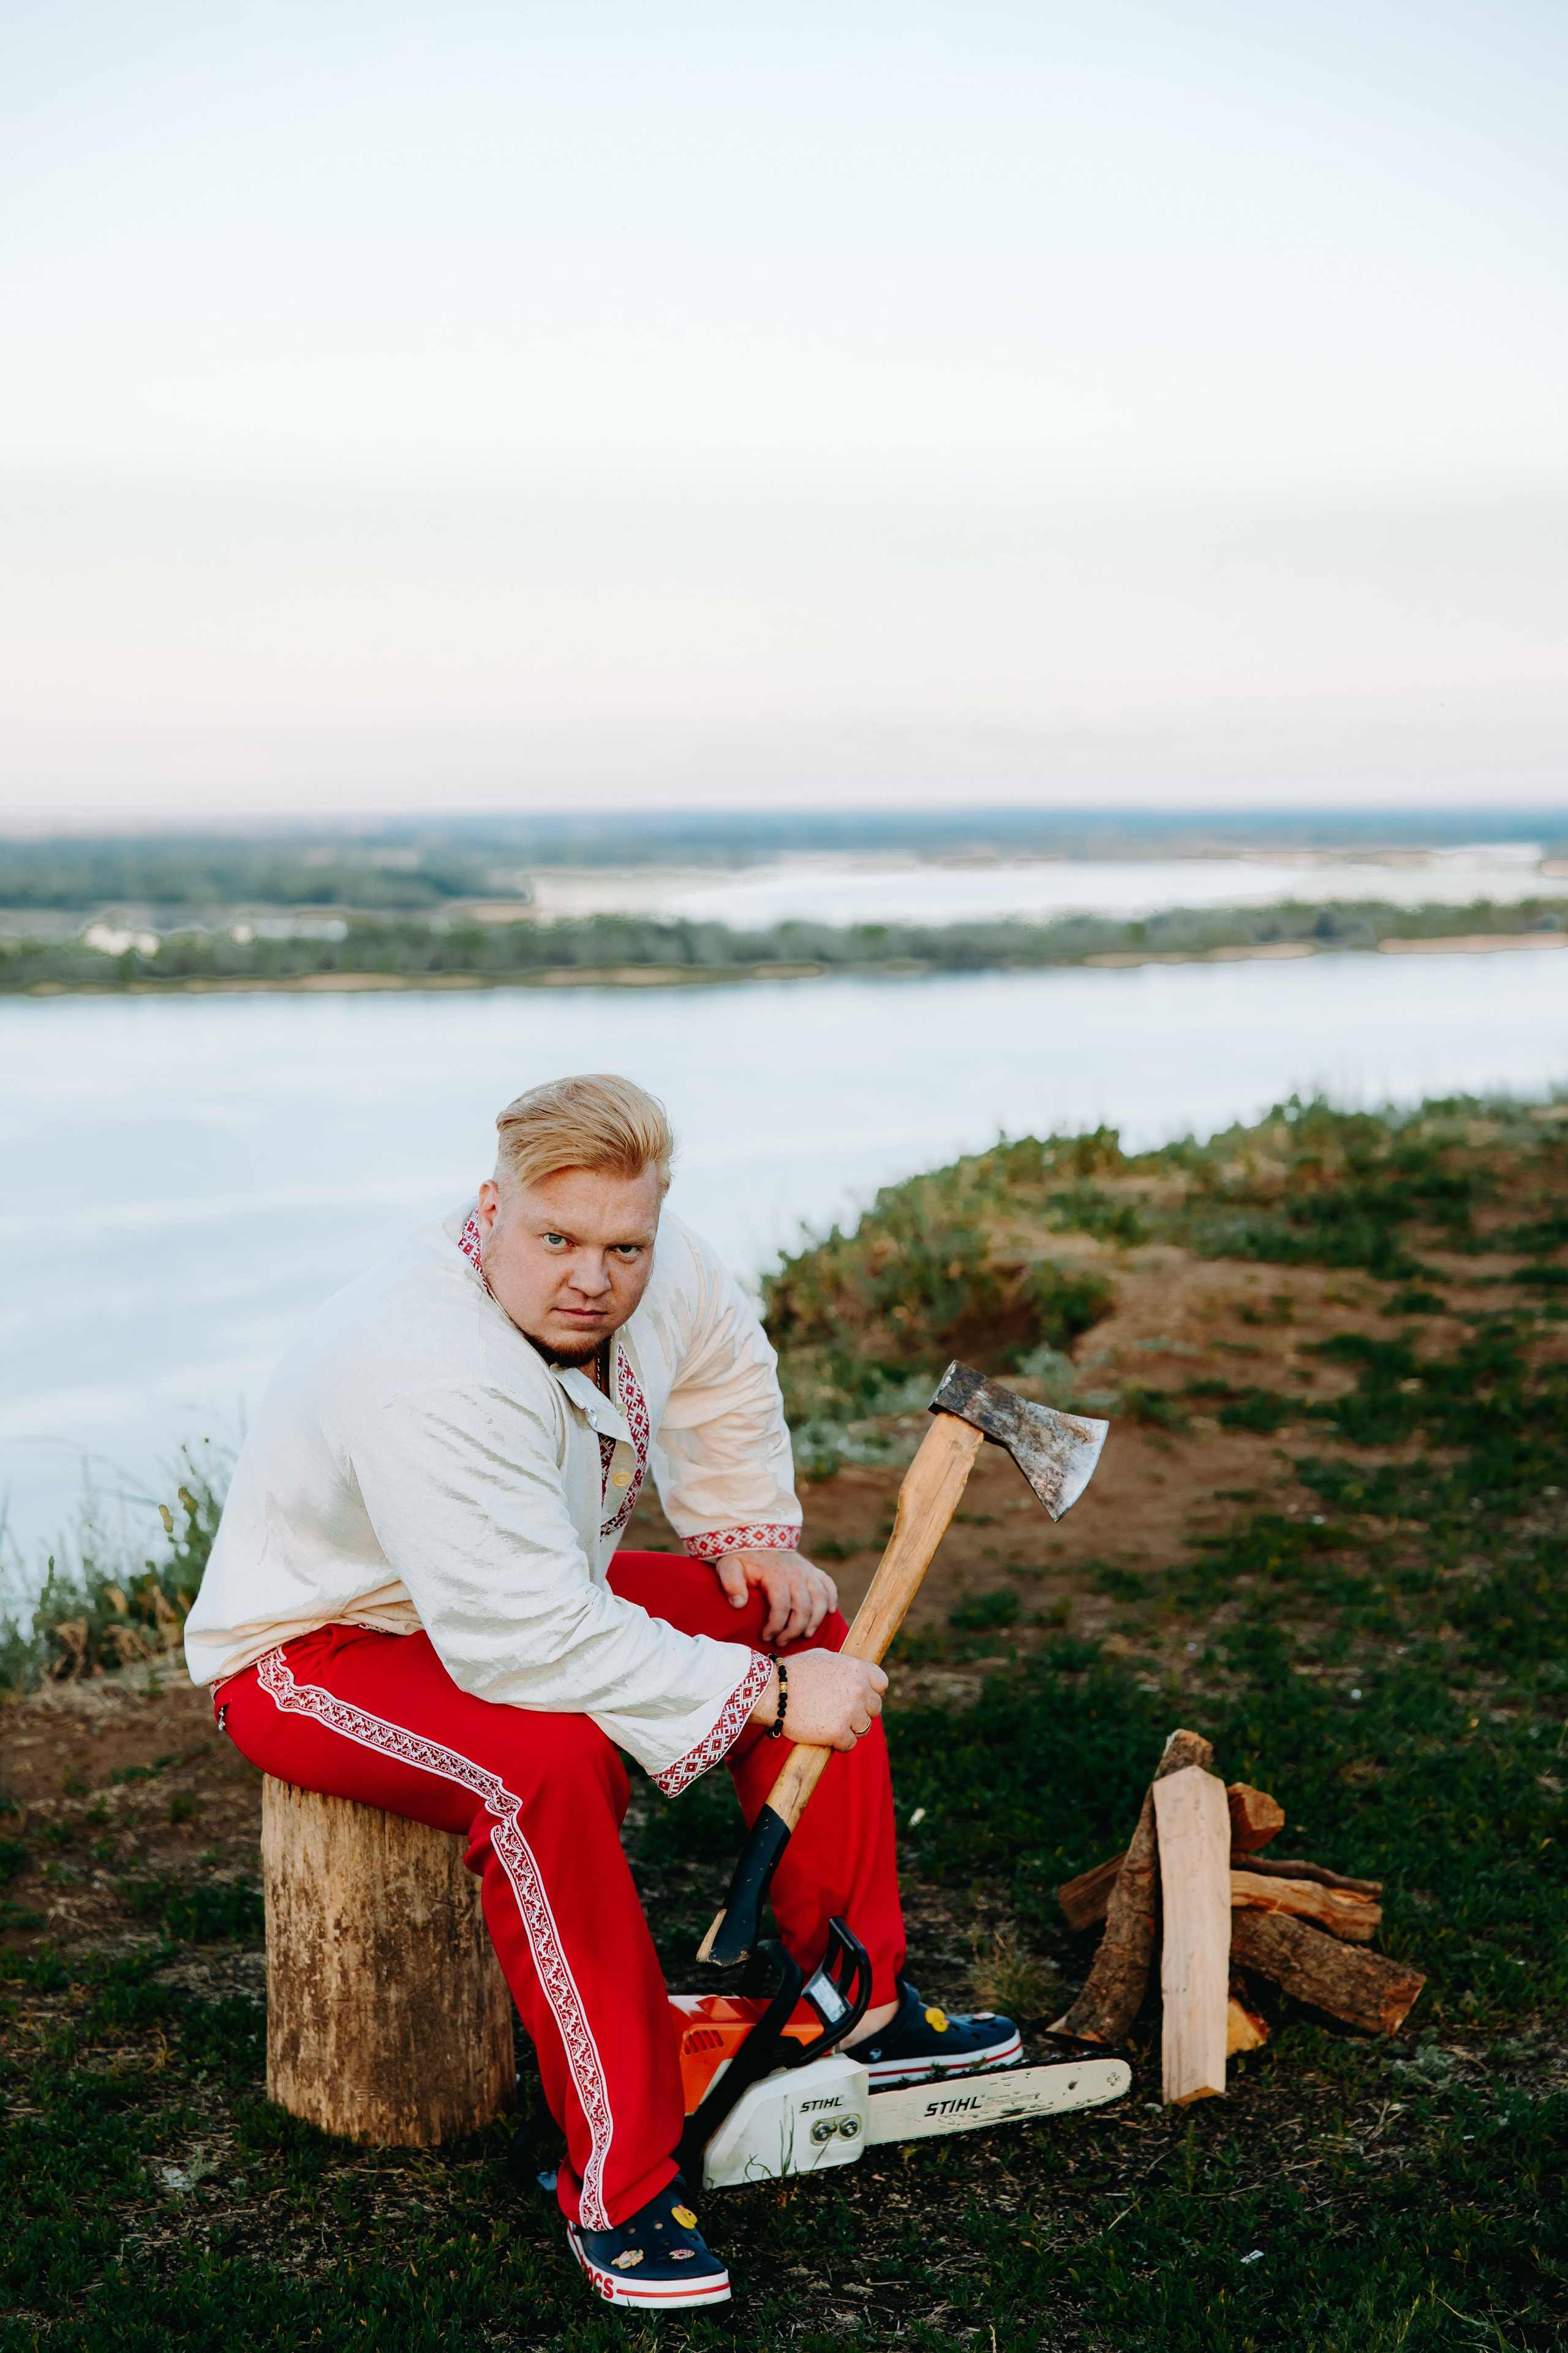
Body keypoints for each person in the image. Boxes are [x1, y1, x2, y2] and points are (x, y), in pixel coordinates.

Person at [185, 1073, 1017, 2310]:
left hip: (513, 1583)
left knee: (794, 1615)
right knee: (548, 1768)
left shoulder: (654, 1258)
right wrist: (766, 1698)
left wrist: (740, 1526)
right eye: (556, 1240)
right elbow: (520, 1643)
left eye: (621, 1245)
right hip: (320, 1645)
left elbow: (722, 1359)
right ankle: (620, 2181)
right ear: (491, 1209)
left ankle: (857, 2001)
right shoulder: (427, 1366)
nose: (591, 1276)